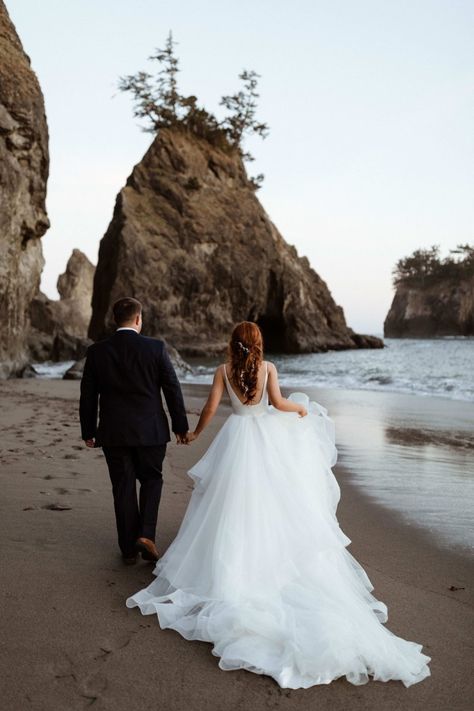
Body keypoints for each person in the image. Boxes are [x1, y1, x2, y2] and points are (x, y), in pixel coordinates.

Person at [126, 321, 431, 689]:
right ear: (258, 344)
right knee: (271, 503)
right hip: (263, 438)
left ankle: (234, 563)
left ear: (232, 343)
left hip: (235, 439)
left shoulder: (223, 371)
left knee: (228, 506)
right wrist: (303, 413)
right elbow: (281, 403)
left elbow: (209, 409)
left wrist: (194, 433)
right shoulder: (268, 368)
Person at [79, 297, 189, 565]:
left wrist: (88, 430)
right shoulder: (155, 348)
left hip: (113, 432)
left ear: (115, 319)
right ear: (138, 319)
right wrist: (180, 426)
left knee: (123, 486)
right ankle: (147, 535)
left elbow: (88, 395)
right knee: (152, 480)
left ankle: (128, 548)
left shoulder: (97, 352)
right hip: (150, 431)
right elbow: (172, 388)